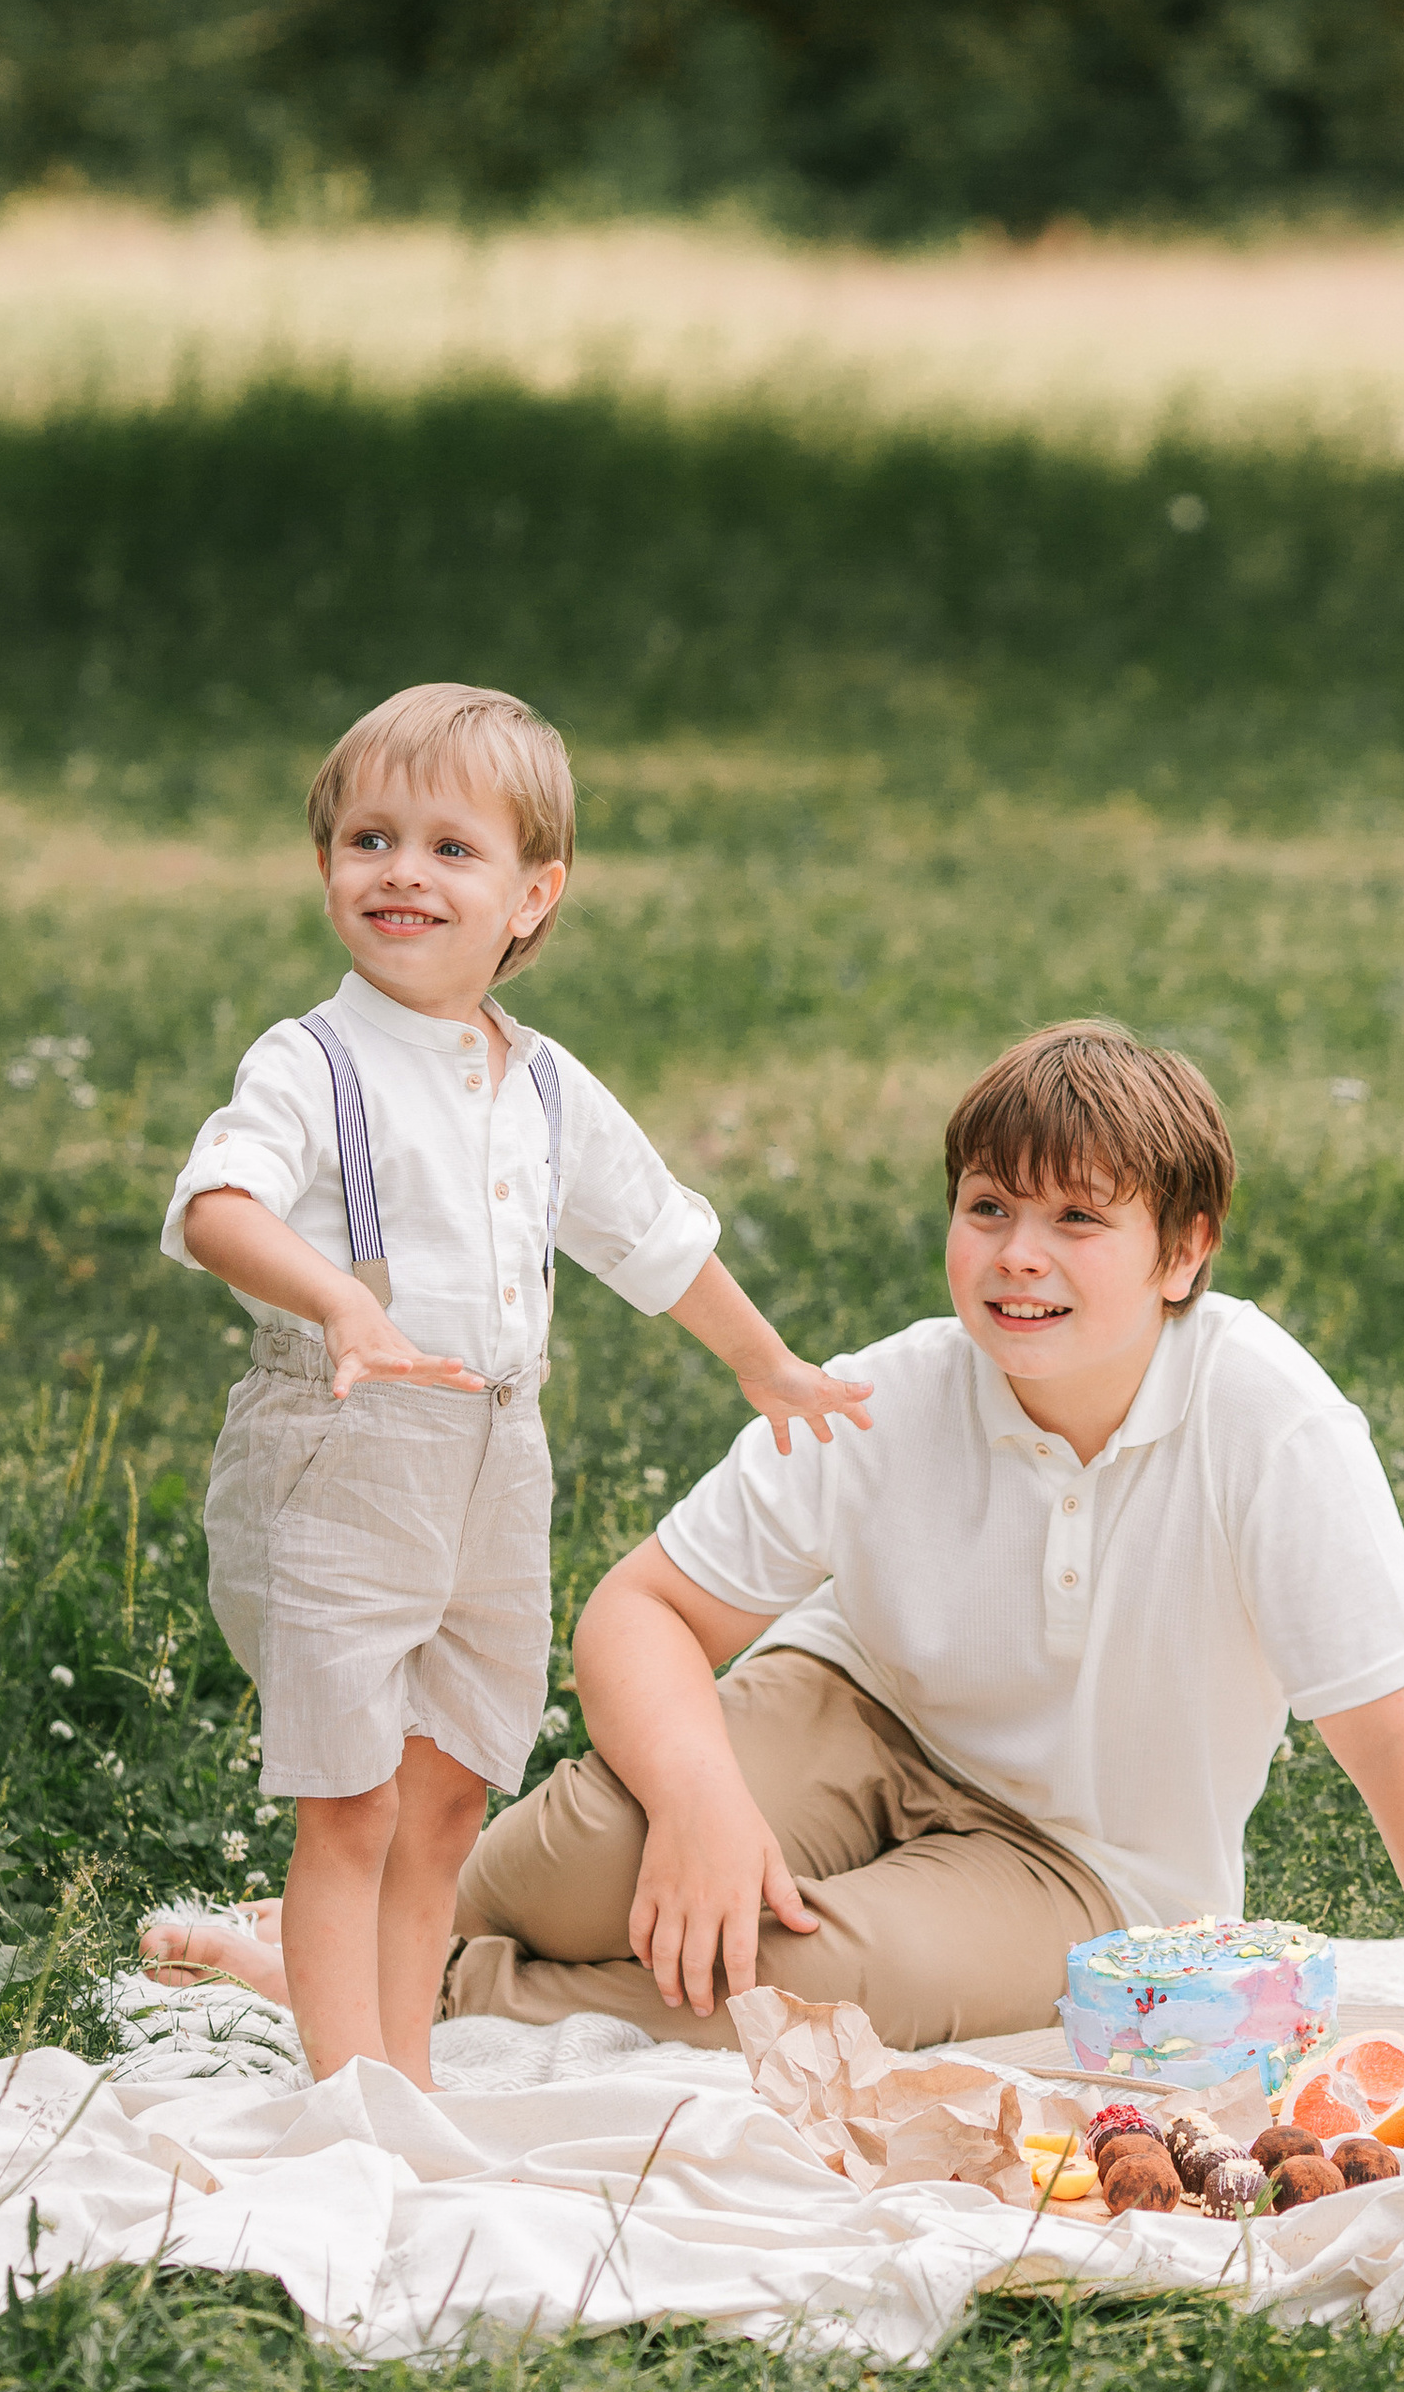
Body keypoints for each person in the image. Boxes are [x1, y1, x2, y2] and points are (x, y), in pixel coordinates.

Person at [439, 1016, 1404, 2044]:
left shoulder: (1271, 1423)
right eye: (988, 1209)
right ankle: (412, 1919)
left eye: (1077, 1219)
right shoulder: (889, 1392)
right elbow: (644, 1607)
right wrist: (701, 1806)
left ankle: (452, 1987)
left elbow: (1401, 1744)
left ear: (1183, 1253)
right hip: (860, 1709)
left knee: (803, 1980)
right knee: (570, 1869)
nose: (1018, 1253)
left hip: (1082, 1863)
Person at [151, 679, 870, 2087]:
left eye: (450, 848)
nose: (402, 871)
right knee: (351, 1802)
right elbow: (214, 1206)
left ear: (533, 896)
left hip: (497, 1457)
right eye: (369, 840)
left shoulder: (540, 1083)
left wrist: (761, 1358)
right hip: (345, 1443)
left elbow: (650, 1233)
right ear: (325, 868)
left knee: (445, 1795)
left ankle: (403, 2073)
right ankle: (345, 2099)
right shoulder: (311, 1061)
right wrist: (340, 1297)